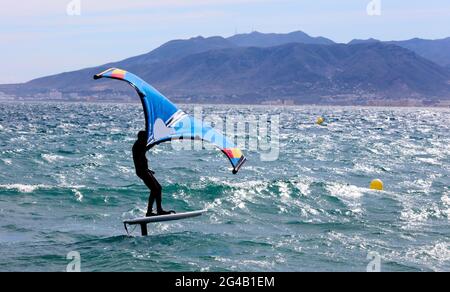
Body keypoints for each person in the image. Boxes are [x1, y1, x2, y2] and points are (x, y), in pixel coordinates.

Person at [133, 131, 175, 217]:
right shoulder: (137, 145)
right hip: (142, 171)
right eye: (145, 138)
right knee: (155, 189)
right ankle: (150, 212)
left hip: (145, 170)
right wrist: (155, 142)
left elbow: (145, 150)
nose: (146, 140)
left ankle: (158, 210)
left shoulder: (140, 144)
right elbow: (144, 150)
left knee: (158, 188)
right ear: (141, 138)